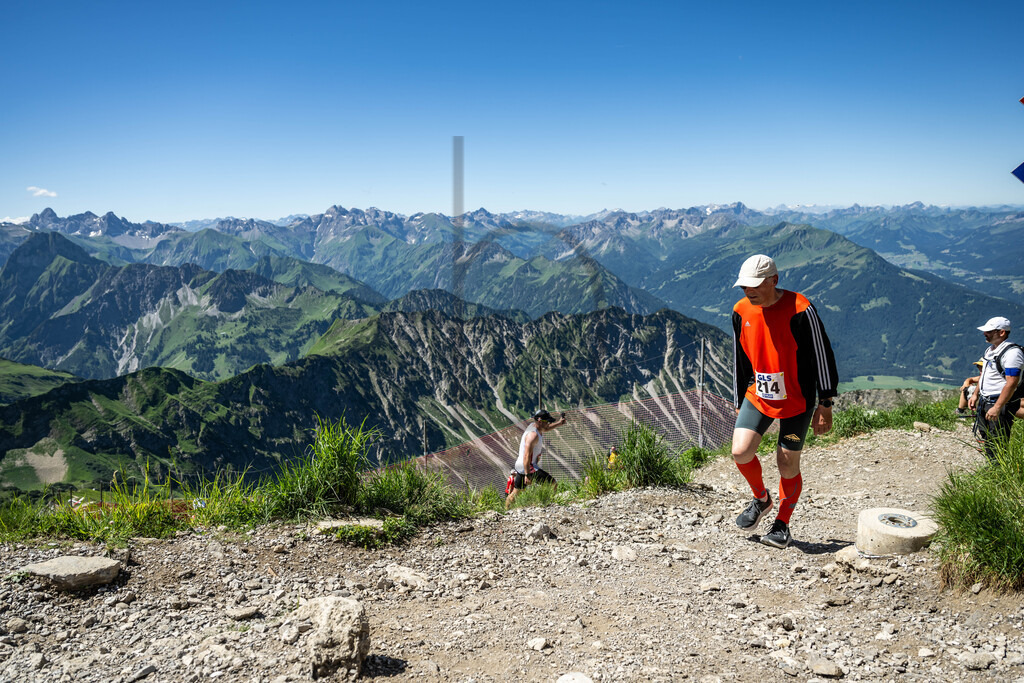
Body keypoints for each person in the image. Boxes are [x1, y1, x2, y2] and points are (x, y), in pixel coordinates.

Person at [730, 254, 839, 549]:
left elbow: (823, 355)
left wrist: (825, 402)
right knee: (740, 452)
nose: (748, 291)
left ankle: (782, 523)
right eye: (744, 287)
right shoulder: (741, 310)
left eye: (754, 285)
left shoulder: (800, 309)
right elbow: (741, 357)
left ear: (774, 280)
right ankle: (761, 499)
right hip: (758, 394)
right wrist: (739, 397)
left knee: (787, 463)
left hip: (796, 400)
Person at [968, 317, 1023, 461]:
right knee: (987, 437)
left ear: (1002, 332)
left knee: (998, 440)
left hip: (998, 402)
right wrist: (975, 395)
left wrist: (998, 407)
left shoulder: (1012, 353)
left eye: (989, 331)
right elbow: (985, 375)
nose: (984, 334)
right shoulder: (990, 350)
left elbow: (1011, 383)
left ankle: (999, 472)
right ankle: (992, 466)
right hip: (985, 401)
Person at [505, 409, 567, 509]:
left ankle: (505, 511)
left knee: (516, 492)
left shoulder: (534, 427)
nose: (548, 423)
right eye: (547, 421)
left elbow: (545, 429)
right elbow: (526, 455)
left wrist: (559, 423)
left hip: (522, 465)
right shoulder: (533, 436)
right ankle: (548, 506)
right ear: (539, 421)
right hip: (528, 466)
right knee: (553, 484)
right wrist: (527, 475)